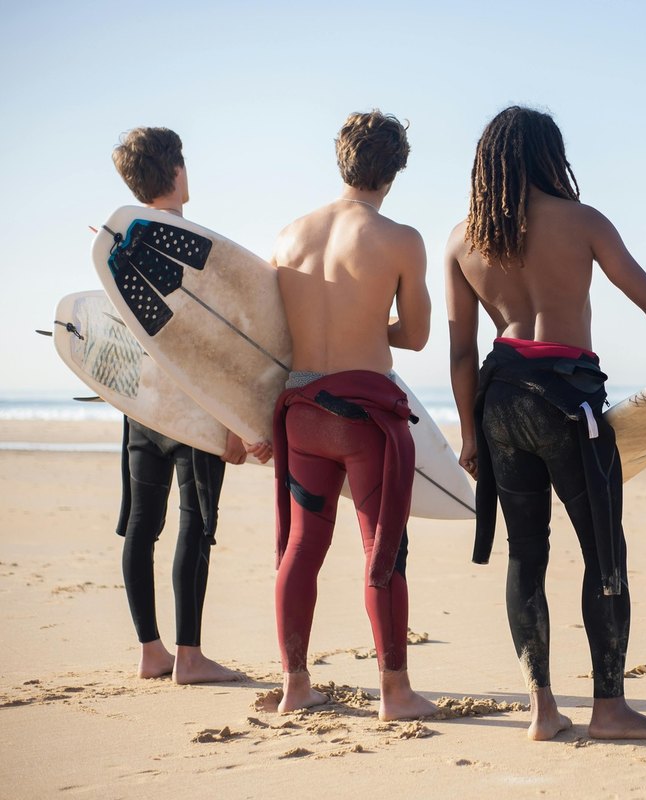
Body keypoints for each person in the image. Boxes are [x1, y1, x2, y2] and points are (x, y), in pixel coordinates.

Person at [446, 106, 646, 740]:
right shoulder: (582, 222)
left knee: (525, 554)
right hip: (566, 403)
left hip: (499, 403)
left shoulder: (462, 240)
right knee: (604, 551)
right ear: (551, 157)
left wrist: (471, 435)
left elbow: (462, 351)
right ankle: (609, 708)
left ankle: (542, 710)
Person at [269, 110, 434, 720]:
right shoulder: (400, 239)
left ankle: (295, 685)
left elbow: (275, 334)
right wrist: (368, 322)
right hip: (365, 416)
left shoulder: (288, 236)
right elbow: (414, 336)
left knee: (301, 549)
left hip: (302, 411)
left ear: (340, 160)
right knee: (381, 552)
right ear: (394, 171)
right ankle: (395, 692)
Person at [110, 127, 269, 683]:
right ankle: (190, 657)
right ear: (176, 170)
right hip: (196, 414)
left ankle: (151, 652)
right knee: (195, 526)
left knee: (140, 529)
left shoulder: (117, 248)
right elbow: (213, 344)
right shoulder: (195, 249)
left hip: (143, 410)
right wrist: (235, 422)